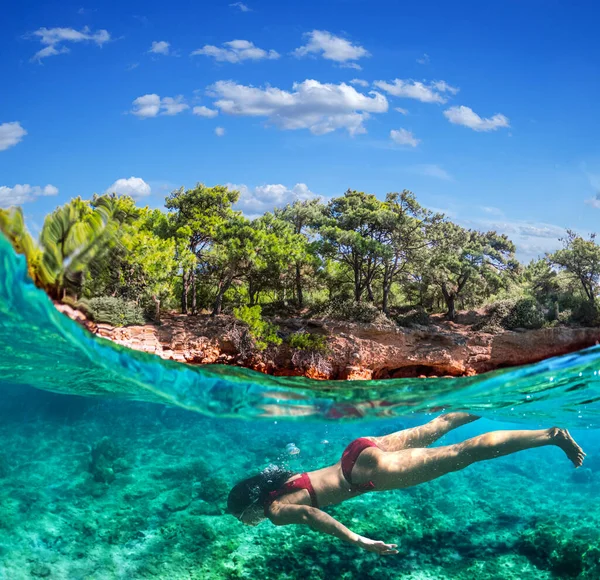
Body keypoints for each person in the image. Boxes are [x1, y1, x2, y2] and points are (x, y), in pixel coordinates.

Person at [227, 412, 586, 555]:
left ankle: (550, 435)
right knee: (438, 426)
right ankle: (489, 398)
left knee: (463, 453)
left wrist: (358, 540)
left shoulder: (275, 509)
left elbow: (309, 516)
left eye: (239, 516)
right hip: (357, 451)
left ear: (248, 505)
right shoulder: (280, 482)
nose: (245, 522)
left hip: (368, 474)